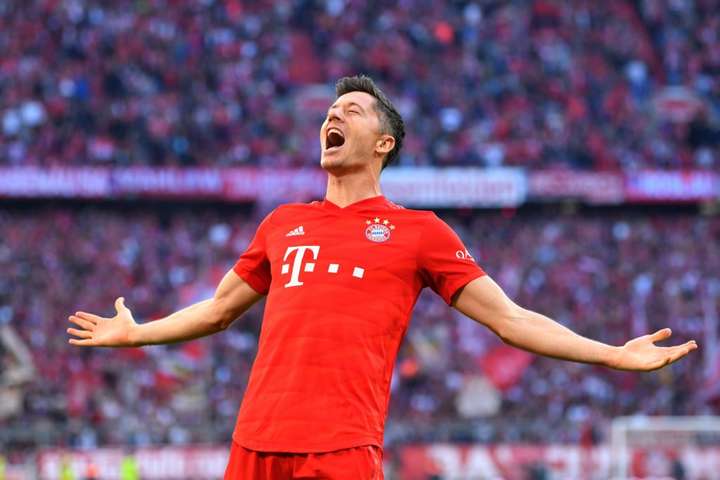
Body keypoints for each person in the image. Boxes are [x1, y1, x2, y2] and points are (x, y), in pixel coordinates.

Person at [67, 75, 698, 479]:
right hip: (254, 443)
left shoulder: (420, 232)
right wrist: (139, 333)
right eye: (330, 111)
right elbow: (216, 310)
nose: (333, 116)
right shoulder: (283, 223)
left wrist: (610, 354)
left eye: (351, 110)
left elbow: (510, 320)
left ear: (384, 143)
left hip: (342, 449)